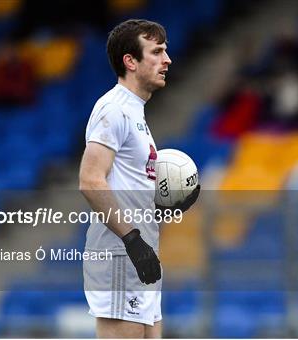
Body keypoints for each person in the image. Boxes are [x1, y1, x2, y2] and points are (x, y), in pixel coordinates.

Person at [78, 19, 200, 338]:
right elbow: (91, 180)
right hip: (122, 254)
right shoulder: (113, 109)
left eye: (166, 51)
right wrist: (132, 239)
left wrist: (164, 204)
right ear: (130, 61)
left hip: (140, 254)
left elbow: (126, 186)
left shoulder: (135, 114)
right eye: (156, 52)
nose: (167, 60)